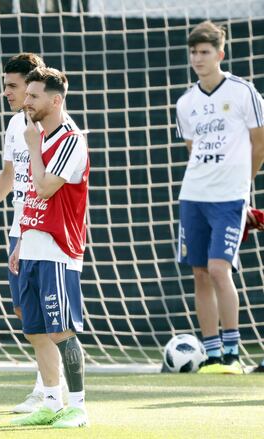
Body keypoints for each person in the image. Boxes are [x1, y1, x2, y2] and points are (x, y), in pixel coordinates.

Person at [0, 53, 68, 412]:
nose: (6, 92)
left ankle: (49, 391)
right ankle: (50, 385)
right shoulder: (14, 126)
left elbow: (54, 186)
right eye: (4, 85)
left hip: (45, 232)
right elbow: (9, 176)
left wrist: (33, 233)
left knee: (49, 319)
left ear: (32, 88)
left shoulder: (56, 131)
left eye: (13, 86)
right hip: (17, 228)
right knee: (26, 313)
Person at [176, 20, 264, 374]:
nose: (198, 59)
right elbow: (192, 149)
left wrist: (245, 183)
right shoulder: (186, 102)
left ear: (219, 54)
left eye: (204, 52)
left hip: (230, 197)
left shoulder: (244, 93)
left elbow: (260, 143)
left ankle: (231, 351)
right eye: (194, 52)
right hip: (194, 195)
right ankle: (212, 354)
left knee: (218, 269)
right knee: (199, 272)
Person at [9, 67, 89, 428]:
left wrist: (31, 146)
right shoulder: (37, 135)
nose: (27, 101)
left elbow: (43, 188)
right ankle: (52, 403)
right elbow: (29, 198)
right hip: (32, 246)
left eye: (34, 96)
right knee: (35, 330)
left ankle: (79, 408)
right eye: (26, 95)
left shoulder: (70, 138)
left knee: (61, 331)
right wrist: (22, 241)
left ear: (55, 100)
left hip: (58, 250)